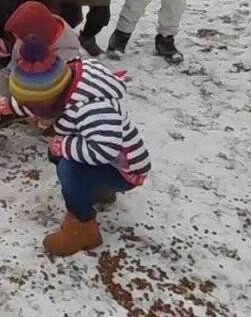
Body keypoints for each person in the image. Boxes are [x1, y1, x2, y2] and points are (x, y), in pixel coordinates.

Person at [8, 32, 151, 256]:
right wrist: (10, 106)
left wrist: (63, 146)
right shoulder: (65, 78)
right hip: (107, 157)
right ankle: (97, 189)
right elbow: (39, 99)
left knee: (68, 166)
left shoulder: (91, 108)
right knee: (64, 155)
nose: (30, 109)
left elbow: (105, 148)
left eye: (31, 105)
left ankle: (82, 227)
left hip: (124, 168)